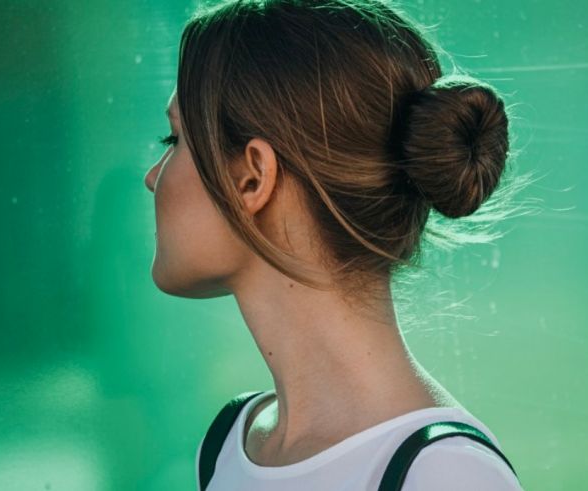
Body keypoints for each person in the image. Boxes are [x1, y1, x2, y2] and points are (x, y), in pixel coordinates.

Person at [144, 0, 529, 489]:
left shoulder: (446, 476)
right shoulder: (226, 445)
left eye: (172, 139)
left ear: (250, 177)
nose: (153, 177)